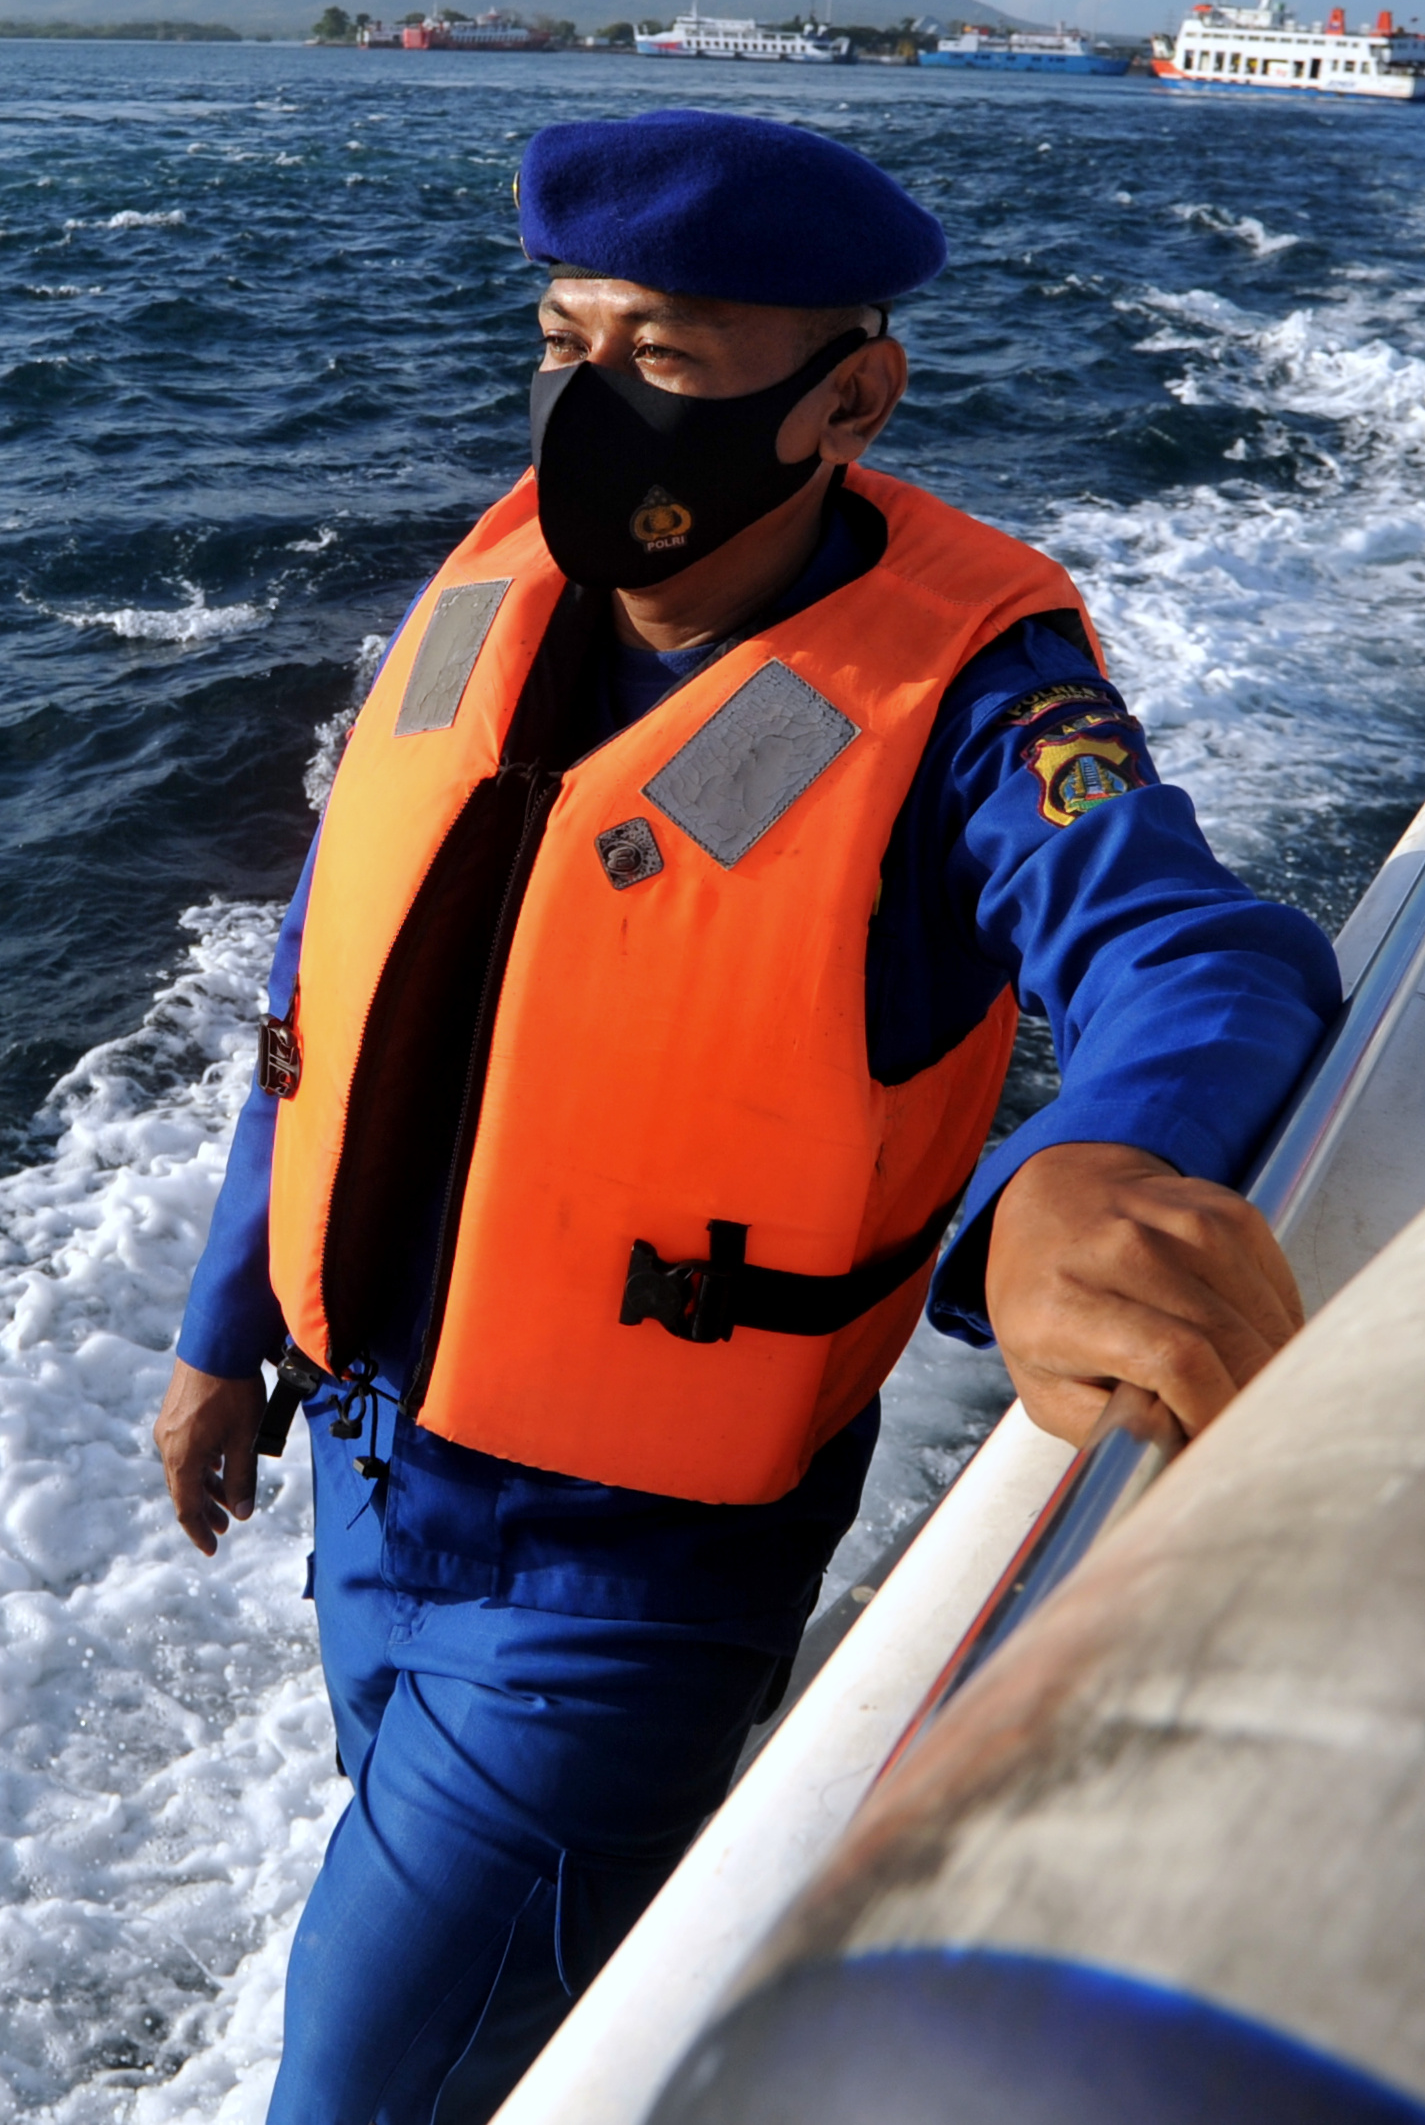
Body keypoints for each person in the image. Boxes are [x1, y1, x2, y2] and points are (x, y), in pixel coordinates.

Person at [151, 108, 1343, 2125]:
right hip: (368, 1477)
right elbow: (328, 984)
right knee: (471, 2032)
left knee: (352, 2088)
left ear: (847, 398)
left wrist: (1083, 1171)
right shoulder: (499, 601)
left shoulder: (970, 699)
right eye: (565, 342)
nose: (597, 405)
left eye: (671, 361)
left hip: (615, 1591)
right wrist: (220, 1328)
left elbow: (1202, 956)